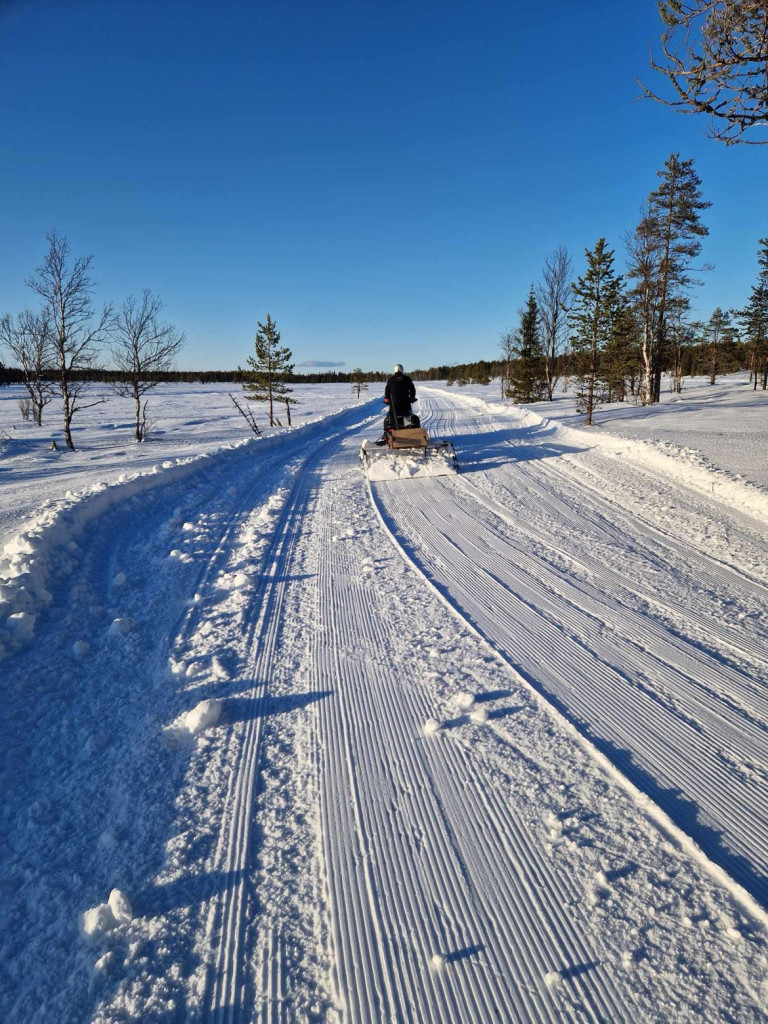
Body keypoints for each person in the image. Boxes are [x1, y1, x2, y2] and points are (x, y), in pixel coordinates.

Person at [375, 364, 420, 444]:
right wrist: (412, 398)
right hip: (406, 405)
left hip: (394, 406)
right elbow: (413, 390)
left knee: (388, 419)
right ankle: (410, 430)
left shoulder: (391, 379)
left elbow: (387, 392)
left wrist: (386, 399)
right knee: (410, 417)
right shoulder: (407, 379)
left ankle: (388, 433)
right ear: (402, 370)